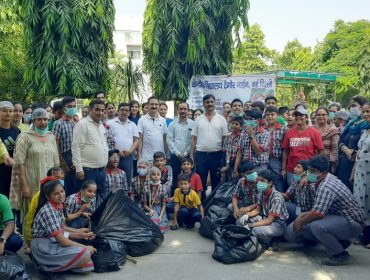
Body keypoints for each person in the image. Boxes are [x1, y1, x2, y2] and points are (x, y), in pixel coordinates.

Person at [284, 156, 365, 266]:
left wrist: (300, 221)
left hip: (352, 222)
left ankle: (339, 254)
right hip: (337, 218)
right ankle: (339, 243)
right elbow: (315, 208)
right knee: (295, 231)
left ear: (323, 172)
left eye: (314, 171)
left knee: (316, 226)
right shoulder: (318, 180)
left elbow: (317, 213)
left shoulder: (326, 186)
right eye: (309, 170)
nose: (310, 173)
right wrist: (301, 217)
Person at [31, 180, 96, 274]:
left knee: (87, 267)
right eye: (56, 194)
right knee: (85, 254)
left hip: (53, 241)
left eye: (62, 191)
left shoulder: (58, 205)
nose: (61, 195)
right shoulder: (48, 211)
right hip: (44, 247)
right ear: (48, 197)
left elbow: (63, 230)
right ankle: (45, 267)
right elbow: (62, 240)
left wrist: (82, 235)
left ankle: (58, 264)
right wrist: (85, 247)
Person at [13, 108, 59, 228]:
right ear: (33, 120)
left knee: (48, 209)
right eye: (39, 119)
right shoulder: (24, 137)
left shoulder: (51, 136)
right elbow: (19, 163)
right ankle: (29, 241)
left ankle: (46, 238)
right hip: (32, 182)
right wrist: (24, 185)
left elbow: (56, 162)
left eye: (45, 119)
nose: (43, 122)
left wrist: (57, 181)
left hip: (49, 183)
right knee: (31, 211)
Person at [190, 94, 228, 201]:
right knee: (201, 181)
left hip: (217, 155)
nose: (209, 104)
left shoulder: (221, 119)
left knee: (216, 181)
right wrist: (191, 155)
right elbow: (194, 138)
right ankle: (201, 205)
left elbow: (225, 139)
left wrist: (224, 157)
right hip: (201, 155)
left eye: (211, 102)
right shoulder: (198, 119)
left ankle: (212, 205)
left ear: (215, 103)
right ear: (203, 104)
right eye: (207, 102)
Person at [72, 99, 108, 204]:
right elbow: (76, 147)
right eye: (97, 110)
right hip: (87, 171)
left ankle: (96, 220)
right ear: (90, 110)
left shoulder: (101, 126)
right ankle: (84, 220)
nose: (100, 113)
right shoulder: (82, 124)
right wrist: (79, 168)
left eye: (102, 110)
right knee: (84, 201)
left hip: (101, 171)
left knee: (98, 200)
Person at [240, 170, 289, 247]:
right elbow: (257, 210)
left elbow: (269, 220)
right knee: (242, 221)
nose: (259, 183)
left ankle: (274, 239)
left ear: (270, 183)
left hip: (278, 224)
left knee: (255, 231)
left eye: (262, 181)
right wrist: (246, 215)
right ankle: (267, 238)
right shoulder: (262, 192)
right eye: (259, 180)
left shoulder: (277, 198)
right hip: (265, 218)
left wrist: (251, 225)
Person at [23, 168, 65, 253]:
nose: (60, 181)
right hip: (37, 238)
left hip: (46, 236)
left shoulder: (57, 198)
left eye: (62, 178)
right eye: (57, 178)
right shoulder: (46, 205)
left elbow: (62, 225)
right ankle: (31, 250)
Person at [282, 108, 324, 186]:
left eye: (301, 115)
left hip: (309, 170)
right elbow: (285, 151)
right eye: (296, 115)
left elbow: (320, 151)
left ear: (307, 117)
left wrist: (317, 167)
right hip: (292, 169)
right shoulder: (289, 132)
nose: (298, 117)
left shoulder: (314, 132)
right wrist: (283, 169)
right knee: (292, 192)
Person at [337, 96, 369, 191]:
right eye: (350, 106)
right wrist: (345, 150)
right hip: (344, 162)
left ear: (363, 106)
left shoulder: (366, 126)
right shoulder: (351, 124)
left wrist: (353, 153)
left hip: (358, 166)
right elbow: (340, 140)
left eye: (354, 105)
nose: (351, 108)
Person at [107, 102, 139, 183]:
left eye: (126, 110)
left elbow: (136, 140)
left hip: (128, 156)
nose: (124, 112)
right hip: (112, 156)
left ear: (129, 112)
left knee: (127, 178)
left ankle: (125, 195)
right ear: (118, 111)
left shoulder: (133, 124)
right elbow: (106, 140)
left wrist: (130, 151)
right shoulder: (110, 123)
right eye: (122, 110)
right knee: (112, 178)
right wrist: (116, 151)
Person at [53, 96, 78, 195]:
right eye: (70, 106)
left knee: (77, 188)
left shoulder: (78, 123)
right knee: (66, 189)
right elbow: (55, 146)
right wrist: (63, 164)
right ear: (64, 108)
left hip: (77, 158)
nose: (72, 108)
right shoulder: (58, 124)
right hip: (65, 158)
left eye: (74, 106)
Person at [353, 102, 370, 248]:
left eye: (369, 111)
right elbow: (359, 152)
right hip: (360, 174)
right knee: (361, 204)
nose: (366, 114)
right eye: (364, 112)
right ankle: (363, 235)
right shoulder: (365, 131)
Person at [167, 101, 194, 194]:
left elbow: (193, 141)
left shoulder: (193, 124)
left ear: (188, 110)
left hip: (188, 156)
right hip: (175, 156)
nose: (183, 111)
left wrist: (186, 153)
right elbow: (169, 140)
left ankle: (189, 198)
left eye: (185, 109)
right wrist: (178, 153)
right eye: (181, 109)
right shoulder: (172, 124)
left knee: (189, 178)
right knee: (175, 178)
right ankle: (174, 199)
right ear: (177, 110)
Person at [234, 109, 270, 175]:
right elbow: (239, 152)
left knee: (257, 184)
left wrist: (251, 135)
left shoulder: (265, 134)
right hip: (245, 167)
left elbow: (259, 151)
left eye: (250, 119)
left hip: (259, 167)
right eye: (246, 119)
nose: (247, 121)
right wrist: (235, 170)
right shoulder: (244, 132)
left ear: (258, 121)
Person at [138, 96, 169, 161]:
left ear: (158, 106)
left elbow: (165, 138)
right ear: (148, 105)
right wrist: (139, 155)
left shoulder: (162, 120)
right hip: (146, 157)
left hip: (160, 157)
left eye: (156, 104)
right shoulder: (142, 120)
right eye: (152, 104)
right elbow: (140, 139)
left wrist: (167, 153)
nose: (154, 106)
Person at [265, 106, 288, 192]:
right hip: (265, 160)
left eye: (272, 114)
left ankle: (278, 199)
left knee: (278, 180)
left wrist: (283, 168)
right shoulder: (263, 129)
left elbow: (285, 149)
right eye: (267, 115)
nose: (270, 116)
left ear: (277, 116)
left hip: (277, 160)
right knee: (265, 181)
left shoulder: (284, 129)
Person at [0, 101, 21, 197]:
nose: (8, 113)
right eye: (4, 111)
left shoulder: (16, 130)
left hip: (14, 170)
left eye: (10, 111)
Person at [141, 167, 168, 233]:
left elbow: (164, 205)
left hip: (160, 208)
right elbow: (144, 205)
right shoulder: (146, 187)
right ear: (150, 176)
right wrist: (150, 210)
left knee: (162, 227)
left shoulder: (163, 188)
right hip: (150, 207)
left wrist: (161, 216)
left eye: (158, 174)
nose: (156, 176)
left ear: (160, 176)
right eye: (154, 174)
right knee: (154, 224)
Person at [315, 107, 339, 173]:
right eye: (318, 115)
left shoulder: (333, 130)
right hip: (312, 163)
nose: (321, 116)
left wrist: (333, 164)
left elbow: (335, 149)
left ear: (328, 116)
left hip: (327, 163)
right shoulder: (311, 129)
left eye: (323, 115)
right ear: (315, 117)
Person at [220, 116, 243, 181]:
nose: (233, 125)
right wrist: (223, 166)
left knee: (234, 181)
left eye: (236, 124)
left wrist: (228, 166)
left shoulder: (242, 137)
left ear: (241, 127)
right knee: (225, 182)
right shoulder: (228, 136)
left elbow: (239, 154)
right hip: (226, 164)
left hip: (236, 165)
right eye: (232, 124)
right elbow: (224, 151)